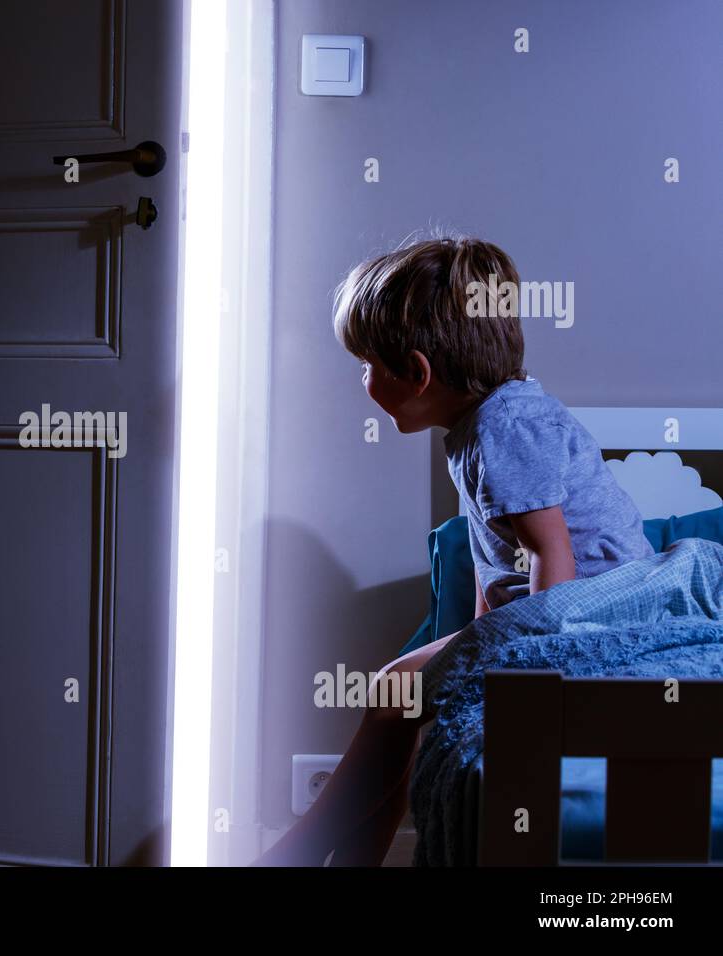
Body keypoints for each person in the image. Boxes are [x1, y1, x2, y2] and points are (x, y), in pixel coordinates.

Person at [252, 236, 653, 866]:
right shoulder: (480, 425)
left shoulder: (504, 429)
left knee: (391, 693)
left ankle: (295, 855)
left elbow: (554, 557)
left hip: (595, 612)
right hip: (554, 608)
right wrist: (471, 641)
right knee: (398, 700)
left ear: (416, 372)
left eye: (368, 366)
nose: (362, 379)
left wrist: (539, 672)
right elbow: (494, 562)